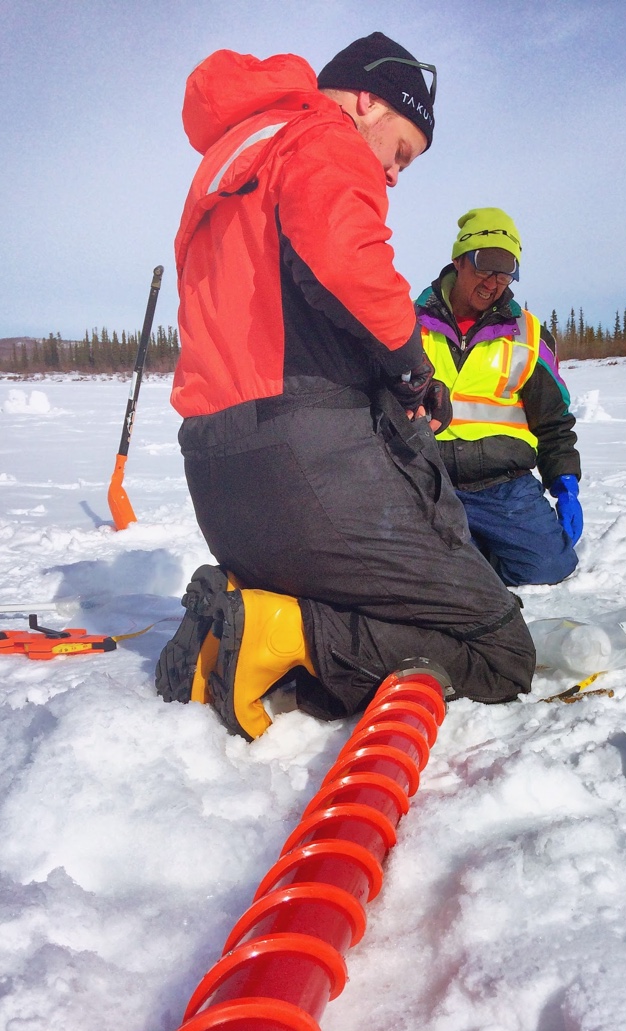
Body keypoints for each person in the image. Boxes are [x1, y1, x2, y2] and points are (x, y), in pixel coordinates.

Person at [155, 34, 535, 739]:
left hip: (220, 477)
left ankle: (231, 624)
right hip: (304, 464)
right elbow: (342, 258)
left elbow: (283, 302)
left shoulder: (237, 154)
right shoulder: (321, 135)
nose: (392, 176)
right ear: (367, 102)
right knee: (500, 649)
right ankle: (280, 634)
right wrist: (407, 362)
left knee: (402, 602)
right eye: (399, 153)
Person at [415, 208, 583, 587]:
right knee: (413, 576)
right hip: (430, 482)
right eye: (485, 266)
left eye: (505, 271)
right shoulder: (408, 325)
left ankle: (470, 563)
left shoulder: (527, 332)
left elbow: (553, 420)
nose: (493, 282)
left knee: (550, 567)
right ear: (459, 260)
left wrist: (566, 484)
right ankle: (462, 566)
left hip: (504, 483)